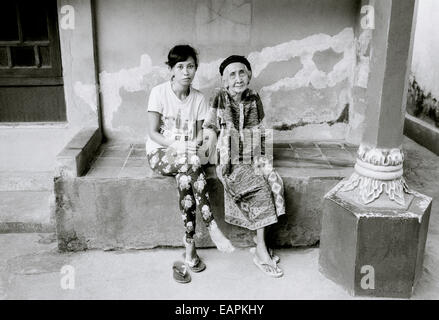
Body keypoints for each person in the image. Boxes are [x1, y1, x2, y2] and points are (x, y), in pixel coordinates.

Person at [146, 45, 234, 282]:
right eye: (180, 66)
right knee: (191, 164)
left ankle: (190, 247)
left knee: (186, 177)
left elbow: (202, 133)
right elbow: (153, 133)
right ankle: (211, 225)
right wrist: (177, 146)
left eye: (191, 66)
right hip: (161, 153)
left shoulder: (199, 98)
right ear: (172, 70)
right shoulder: (159, 92)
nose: (186, 71)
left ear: (196, 68)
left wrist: (192, 144)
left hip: (188, 157)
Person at [202, 55, 286, 277]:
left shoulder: (253, 98)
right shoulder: (219, 98)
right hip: (229, 158)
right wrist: (209, 153)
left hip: (252, 154)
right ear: (224, 81)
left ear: (249, 76)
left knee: (274, 181)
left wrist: (256, 152)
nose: (238, 78)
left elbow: (259, 131)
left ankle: (259, 244)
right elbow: (210, 127)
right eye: (232, 74)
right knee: (260, 189)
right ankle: (260, 250)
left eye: (242, 73)